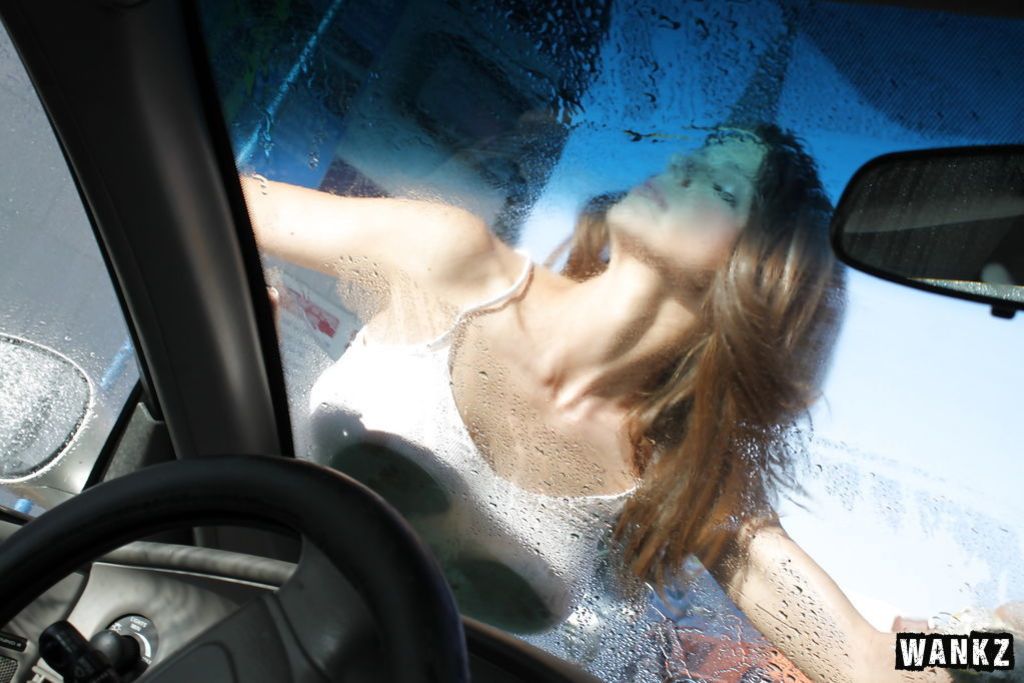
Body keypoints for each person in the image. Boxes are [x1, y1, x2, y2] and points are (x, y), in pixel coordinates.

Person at [240, 123, 976, 682]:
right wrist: (225, 293)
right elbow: (221, 201)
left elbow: (863, 656)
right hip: (232, 616)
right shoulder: (451, 259)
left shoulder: (681, 476)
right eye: (698, 154)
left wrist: (989, 641)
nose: (681, 166)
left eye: (722, 187)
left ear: (753, 270)